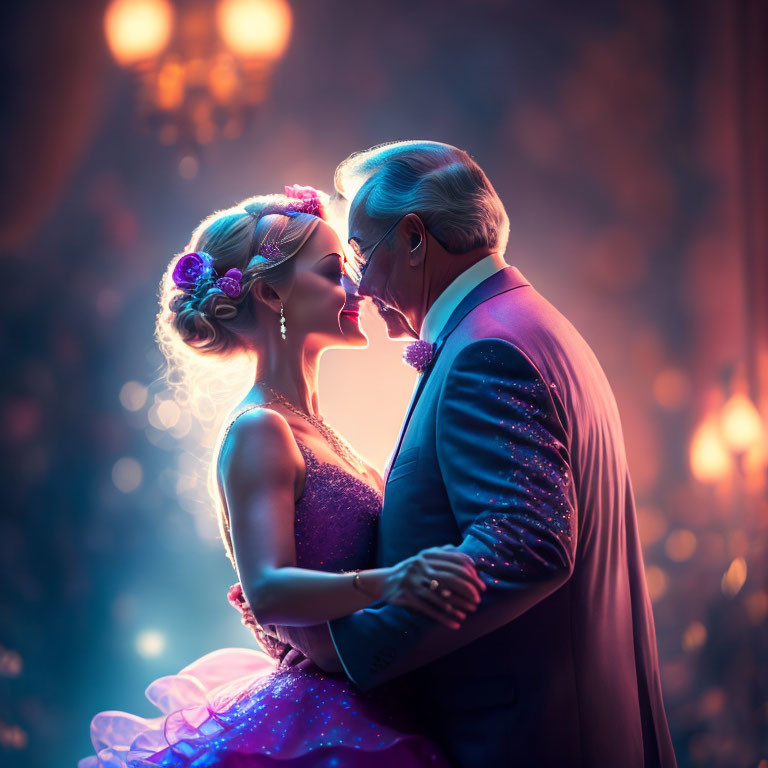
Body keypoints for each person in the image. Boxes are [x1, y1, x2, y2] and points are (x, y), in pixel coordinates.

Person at [270, 142, 679, 768]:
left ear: (414, 237)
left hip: (526, 740)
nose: (357, 284)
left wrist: (348, 649)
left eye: (360, 253)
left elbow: (525, 545)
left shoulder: (485, 352)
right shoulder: (523, 326)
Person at [78, 184, 487, 767]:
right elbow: (268, 590)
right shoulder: (260, 429)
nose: (357, 289)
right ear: (271, 293)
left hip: (363, 693)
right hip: (323, 721)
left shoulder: (311, 427)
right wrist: (391, 582)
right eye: (332, 272)